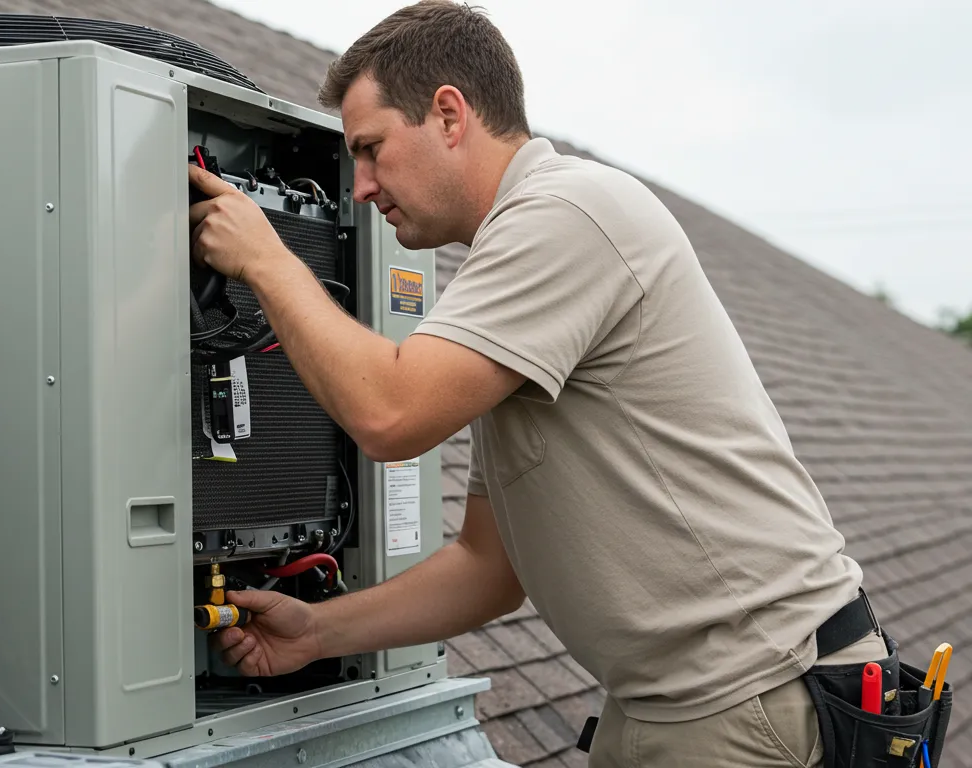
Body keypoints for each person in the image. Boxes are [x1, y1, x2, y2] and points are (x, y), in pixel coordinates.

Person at [186, 2, 884, 765]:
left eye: (373, 149)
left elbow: (391, 414)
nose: (360, 187)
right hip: (677, 700)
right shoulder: (521, 254)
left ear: (449, 114)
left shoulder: (567, 213)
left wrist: (268, 258)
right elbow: (491, 570)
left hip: (751, 694)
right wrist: (319, 632)